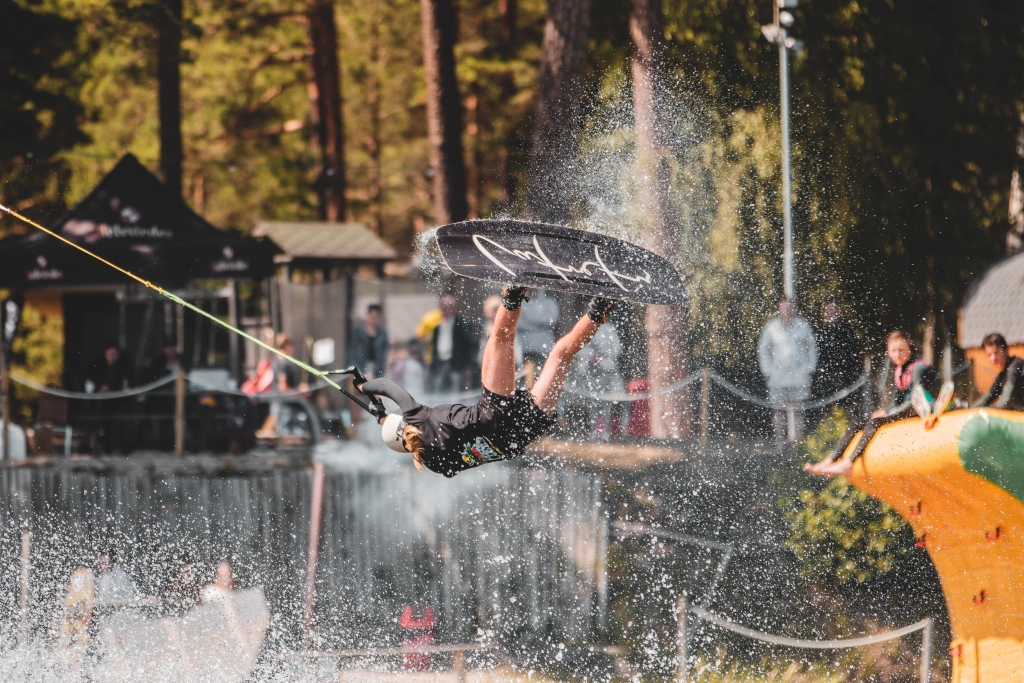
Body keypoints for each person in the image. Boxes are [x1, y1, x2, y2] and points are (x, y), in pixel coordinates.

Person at [357, 288, 615, 477]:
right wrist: (364, 387)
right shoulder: (418, 421)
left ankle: (600, 307)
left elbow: (403, 435)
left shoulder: (434, 463)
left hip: (521, 435)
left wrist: (381, 416)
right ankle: (514, 291)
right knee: (501, 337)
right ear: (404, 426)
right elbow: (388, 387)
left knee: (562, 354)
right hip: (492, 415)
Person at [806, 329, 938, 477]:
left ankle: (848, 463)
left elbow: (916, 400)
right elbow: (896, 401)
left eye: (902, 350)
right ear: (888, 352)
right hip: (903, 409)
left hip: (916, 411)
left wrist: (888, 413)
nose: (897, 354)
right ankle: (830, 460)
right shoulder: (900, 370)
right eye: (893, 350)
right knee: (857, 422)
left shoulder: (917, 367)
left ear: (910, 348)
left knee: (874, 422)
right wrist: (886, 410)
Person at [757, 299, 818, 447]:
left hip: (798, 377)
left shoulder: (802, 326)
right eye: (783, 308)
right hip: (778, 377)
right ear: (779, 309)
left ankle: (798, 443)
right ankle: (780, 443)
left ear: (794, 308)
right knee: (778, 410)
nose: (786, 311)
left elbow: (812, 347)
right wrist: (768, 370)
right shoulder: (772, 328)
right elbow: (763, 349)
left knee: (798, 410)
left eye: (789, 307)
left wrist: (809, 368)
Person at [813, 297, 861, 401]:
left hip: (846, 375)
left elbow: (855, 353)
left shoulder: (847, 329)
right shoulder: (821, 332)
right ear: (824, 312)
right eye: (828, 310)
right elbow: (817, 356)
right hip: (827, 376)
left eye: (833, 310)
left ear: (838, 310)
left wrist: (853, 371)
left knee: (848, 404)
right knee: (825, 407)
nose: (831, 313)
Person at [428, 295, 478, 393]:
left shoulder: (461, 324)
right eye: (443, 306)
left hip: (457, 364)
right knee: (437, 390)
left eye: (448, 306)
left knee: (457, 391)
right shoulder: (437, 327)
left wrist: (469, 365)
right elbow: (434, 347)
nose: (446, 308)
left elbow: (470, 344)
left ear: (454, 307)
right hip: (440, 363)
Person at [972, 333, 1024, 410]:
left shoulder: (1015, 365)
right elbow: (989, 397)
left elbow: (1007, 397)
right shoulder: (1002, 376)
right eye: (989, 355)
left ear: (1006, 350)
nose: (993, 358)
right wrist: (969, 409)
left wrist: (996, 410)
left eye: (996, 352)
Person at [517, 288, 559, 383]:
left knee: (543, 376)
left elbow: (552, 320)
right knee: (526, 377)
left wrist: (528, 320)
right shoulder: (522, 301)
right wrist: (538, 323)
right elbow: (518, 323)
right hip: (526, 346)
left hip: (544, 346)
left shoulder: (549, 302)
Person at [348, 304, 389, 379]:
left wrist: (373, 371)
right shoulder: (358, 332)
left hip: (376, 371)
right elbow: (353, 353)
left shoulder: (382, 334)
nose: (373, 319)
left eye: (376, 317)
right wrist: (358, 371)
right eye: (372, 316)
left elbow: (382, 356)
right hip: (360, 369)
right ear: (367, 315)